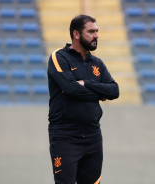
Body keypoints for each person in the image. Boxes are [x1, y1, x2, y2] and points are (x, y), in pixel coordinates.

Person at [47, 15, 119, 184]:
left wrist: (87, 83)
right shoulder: (59, 57)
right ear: (76, 34)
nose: (96, 36)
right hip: (65, 136)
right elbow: (71, 88)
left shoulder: (97, 63)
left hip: (93, 135)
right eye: (91, 31)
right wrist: (100, 94)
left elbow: (115, 91)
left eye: (97, 31)